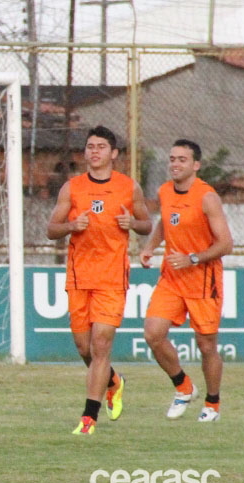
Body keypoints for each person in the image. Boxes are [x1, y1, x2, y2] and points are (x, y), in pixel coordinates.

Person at [46, 125, 151, 435]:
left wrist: (132, 222)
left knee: (101, 343)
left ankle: (88, 418)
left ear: (113, 153)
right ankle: (114, 382)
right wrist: (70, 225)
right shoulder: (72, 188)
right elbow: (52, 228)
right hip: (79, 276)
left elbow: (147, 224)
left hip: (111, 277)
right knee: (84, 348)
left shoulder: (128, 187)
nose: (94, 151)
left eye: (101, 147)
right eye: (90, 146)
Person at [139, 139, 233, 422]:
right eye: (172, 158)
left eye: (182, 159)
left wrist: (192, 258)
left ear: (195, 165)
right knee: (153, 334)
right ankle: (183, 386)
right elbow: (165, 223)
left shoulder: (207, 197)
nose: (175, 164)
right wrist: (149, 247)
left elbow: (226, 244)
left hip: (203, 281)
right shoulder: (165, 191)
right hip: (171, 279)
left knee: (206, 347)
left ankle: (212, 404)